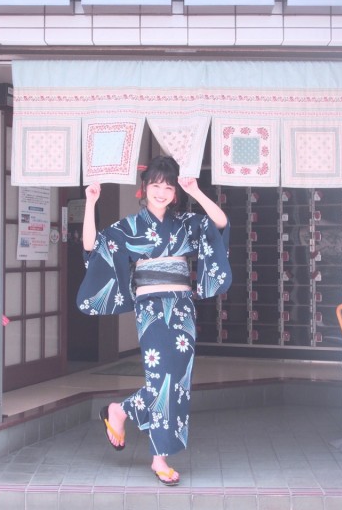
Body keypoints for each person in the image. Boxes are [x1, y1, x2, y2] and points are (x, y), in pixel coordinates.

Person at [76, 155, 232, 486]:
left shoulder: (186, 223)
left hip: (182, 306)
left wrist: (197, 191)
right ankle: (159, 457)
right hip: (150, 308)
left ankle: (120, 411)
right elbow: (92, 246)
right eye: (156, 186)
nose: (161, 192)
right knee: (162, 377)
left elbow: (219, 224)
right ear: (144, 188)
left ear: (175, 193)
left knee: (179, 379)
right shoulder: (129, 227)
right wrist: (90, 202)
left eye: (168, 187)